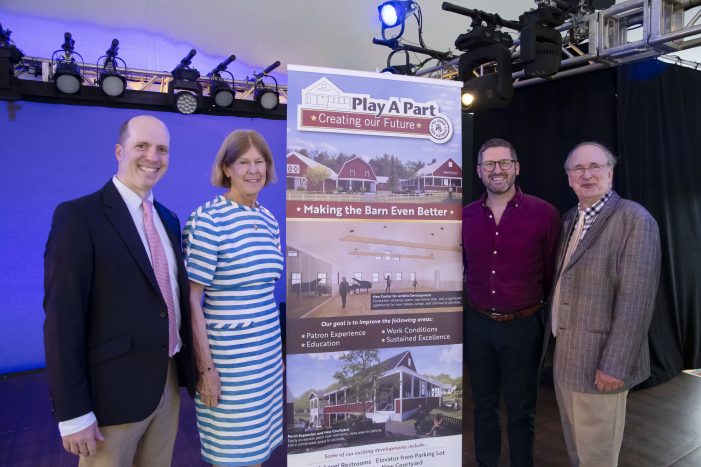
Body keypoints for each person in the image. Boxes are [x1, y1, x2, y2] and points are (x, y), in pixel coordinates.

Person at [43, 115, 196, 466]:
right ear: (118, 150)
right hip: (111, 399)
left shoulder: (169, 219)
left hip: (167, 384)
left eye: (162, 149)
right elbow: (62, 321)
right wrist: (74, 414)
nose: (152, 157)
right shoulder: (79, 217)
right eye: (141, 146)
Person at [545, 142, 661, 467]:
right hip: (566, 358)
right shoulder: (570, 220)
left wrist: (615, 364)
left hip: (601, 366)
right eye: (578, 169)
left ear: (610, 172)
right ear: (569, 178)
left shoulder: (634, 220)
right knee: (576, 449)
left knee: (597, 455)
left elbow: (636, 299)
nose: (587, 174)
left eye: (595, 166)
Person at [183, 129, 284, 467]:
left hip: (265, 357)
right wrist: (206, 369)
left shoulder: (268, 221)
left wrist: (277, 355)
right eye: (244, 162)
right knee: (233, 455)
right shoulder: (208, 220)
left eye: (260, 162)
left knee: (257, 453)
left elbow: (265, 293)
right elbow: (191, 300)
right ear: (227, 168)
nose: (253, 170)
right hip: (229, 361)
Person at [463, 138, 561, 467]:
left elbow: (551, 273)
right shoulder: (464, 218)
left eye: (504, 163)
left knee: (522, 409)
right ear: (479, 171)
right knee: (484, 405)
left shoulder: (544, 214)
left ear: (516, 167)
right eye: (489, 164)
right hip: (477, 325)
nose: (497, 170)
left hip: (523, 327)